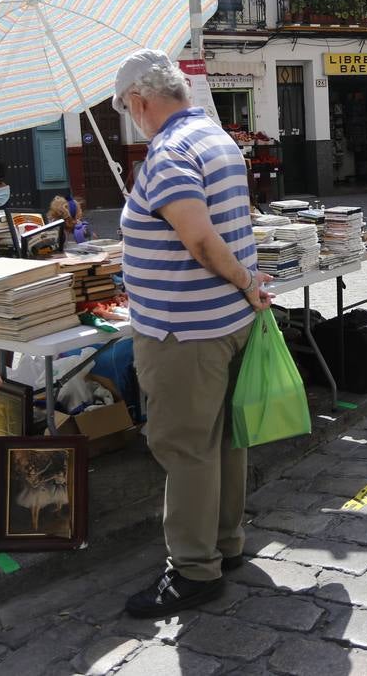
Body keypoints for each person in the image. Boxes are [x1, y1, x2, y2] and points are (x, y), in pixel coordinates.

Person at [114, 49, 273, 619]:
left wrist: (246, 280)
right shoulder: (217, 138)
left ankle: (192, 569)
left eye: (124, 108)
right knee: (223, 441)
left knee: (185, 448)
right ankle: (223, 545)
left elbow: (201, 240)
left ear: (139, 99)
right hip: (222, 322)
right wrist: (246, 286)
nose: (128, 118)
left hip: (184, 330)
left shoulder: (170, 150)